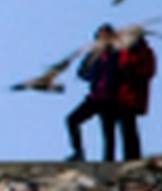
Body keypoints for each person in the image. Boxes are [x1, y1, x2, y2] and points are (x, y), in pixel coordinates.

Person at [65, 24, 120, 163]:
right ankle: (78, 152)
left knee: (109, 131)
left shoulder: (118, 55)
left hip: (111, 98)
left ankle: (109, 161)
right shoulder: (94, 55)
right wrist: (93, 76)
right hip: (95, 96)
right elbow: (81, 72)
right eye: (101, 37)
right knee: (72, 120)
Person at [113, 25, 155, 161]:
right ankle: (128, 155)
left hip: (135, 95)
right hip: (123, 95)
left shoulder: (145, 52)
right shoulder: (125, 52)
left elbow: (148, 71)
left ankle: (133, 155)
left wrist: (131, 72)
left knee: (130, 127)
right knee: (125, 127)